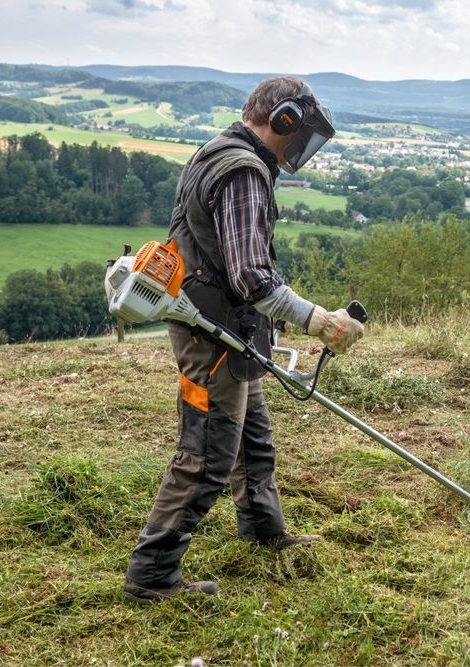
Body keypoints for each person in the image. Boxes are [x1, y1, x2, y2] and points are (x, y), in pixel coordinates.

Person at [123, 77, 363, 604]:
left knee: (253, 437)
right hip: (211, 333)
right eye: (301, 132)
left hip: (229, 328)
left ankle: (261, 527)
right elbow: (251, 278)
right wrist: (320, 320)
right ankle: (152, 576)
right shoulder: (244, 172)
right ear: (284, 120)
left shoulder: (220, 150)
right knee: (207, 453)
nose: (302, 147)